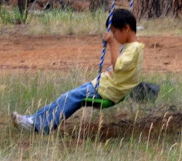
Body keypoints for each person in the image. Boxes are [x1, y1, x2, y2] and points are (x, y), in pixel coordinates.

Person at [11, 8, 144, 134]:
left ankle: (38, 125)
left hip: (106, 91)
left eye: (114, 32)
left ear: (126, 28)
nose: (113, 36)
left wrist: (112, 44)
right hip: (104, 86)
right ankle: (34, 120)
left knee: (69, 98)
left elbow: (118, 66)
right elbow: (123, 69)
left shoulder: (134, 49)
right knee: (67, 97)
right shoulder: (132, 47)